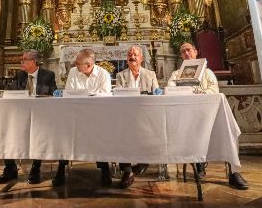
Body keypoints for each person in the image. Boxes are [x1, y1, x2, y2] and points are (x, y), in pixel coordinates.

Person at [167, 42, 249, 190]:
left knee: (229, 131)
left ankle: (234, 172)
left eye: (189, 50)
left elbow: (214, 91)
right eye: (183, 51)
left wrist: (197, 93)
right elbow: (170, 90)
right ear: (181, 56)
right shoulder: (176, 75)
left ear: (196, 52)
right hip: (186, 120)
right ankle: (197, 162)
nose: (186, 53)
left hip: (209, 118)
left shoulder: (208, 73)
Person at [0, 50, 57, 185]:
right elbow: (11, 93)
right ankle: (10, 169)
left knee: (39, 136)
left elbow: (54, 96)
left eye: (24, 60)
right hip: (19, 114)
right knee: (6, 132)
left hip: (41, 117)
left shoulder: (48, 76)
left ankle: (35, 168)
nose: (21, 62)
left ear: (33, 62)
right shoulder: (20, 75)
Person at [53, 49, 113, 187]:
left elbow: (104, 98)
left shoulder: (103, 74)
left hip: (98, 117)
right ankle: (61, 169)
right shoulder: (74, 72)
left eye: (78, 63)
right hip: (76, 115)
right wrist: (88, 96)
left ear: (89, 65)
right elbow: (69, 93)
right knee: (64, 134)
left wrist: (84, 97)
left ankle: (105, 170)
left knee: (102, 135)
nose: (75, 64)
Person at [114, 46, 160, 188]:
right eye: (129, 54)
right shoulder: (120, 75)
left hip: (146, 115)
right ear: (127, 59)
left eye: (135, 54)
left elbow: (157, 94)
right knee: (121, 134)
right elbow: (118, 96)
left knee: (149, 133)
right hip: (126, 115)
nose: (132, 56)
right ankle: (128, 170)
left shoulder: (150, 74)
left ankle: (142, 163)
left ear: (141, 58)